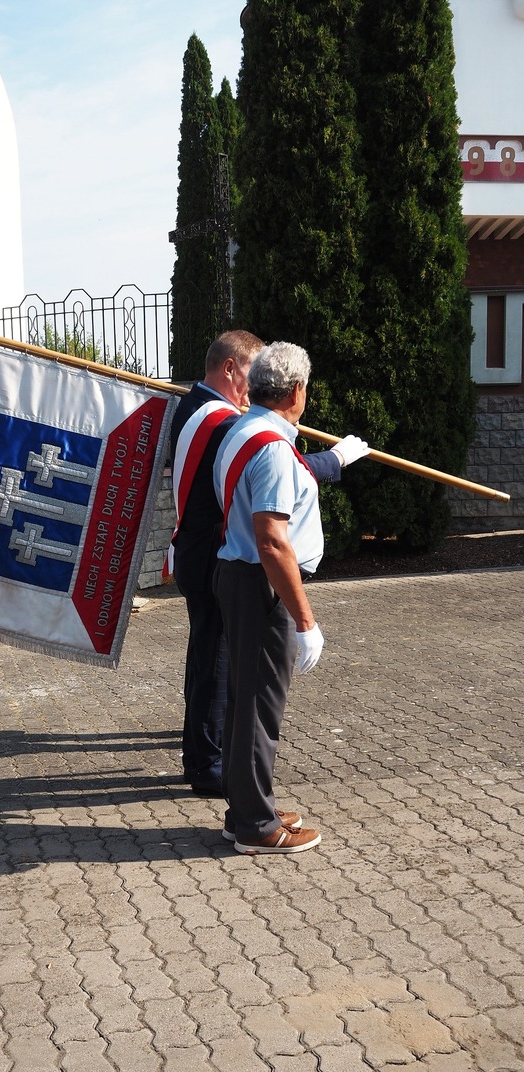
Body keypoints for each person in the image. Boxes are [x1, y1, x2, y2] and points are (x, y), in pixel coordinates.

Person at [169, 330, 365, 797]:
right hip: (224, 558)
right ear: (231, 370)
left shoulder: (201, 409)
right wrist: (336, 459)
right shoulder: (223, 422)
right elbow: (276, 475)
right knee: (219, 667)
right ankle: (207, 762)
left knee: (209, 660)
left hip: (201, 551)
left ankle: (204, 747)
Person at [213, 341, 364, 853]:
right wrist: (306, 620)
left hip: (238, 576)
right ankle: (256, 826)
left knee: (244, 701)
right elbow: (273, 539)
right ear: (297, 391)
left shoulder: (242, 430)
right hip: (260, 583)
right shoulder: (273, 447)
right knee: (259, 706)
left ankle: (247, 809)